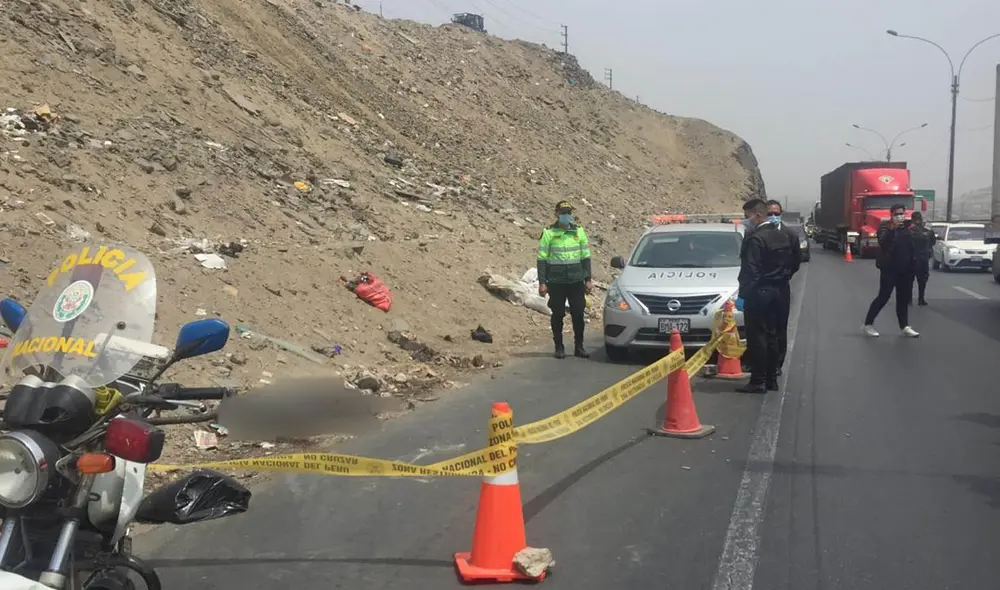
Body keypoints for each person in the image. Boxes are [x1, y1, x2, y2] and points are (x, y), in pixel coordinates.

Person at [736, 199, 794, 393]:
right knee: (772, 335)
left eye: (747, 216)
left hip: (759, 293)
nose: (747, 221)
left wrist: (743, 295)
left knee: (757, 337)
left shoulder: (756, 239)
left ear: (757, 215)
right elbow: (793, 264)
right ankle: (772, 379)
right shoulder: (783, 236)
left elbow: (750, 271)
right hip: (779, 291)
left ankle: (758, 380)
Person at [537, 200, 592, 359]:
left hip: (576, 280)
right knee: (558, 313)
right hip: (556, 281)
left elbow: (585, 257)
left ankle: (579, 346)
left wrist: (588, 279)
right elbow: (542, 259)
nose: (566, 216)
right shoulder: (548, 233)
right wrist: (542, 283)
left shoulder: (579, 232)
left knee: (578, 314)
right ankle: (559, 347)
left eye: (568, 213)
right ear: (556, 214)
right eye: (563, 213)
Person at [862, 204, 919, 337]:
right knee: (883, 297)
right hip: (890, 269)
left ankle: (904, 326)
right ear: (891, 215)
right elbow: (883, 242)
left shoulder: (908, 228)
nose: (900, 216)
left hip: (906, 270)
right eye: (897, 214)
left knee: (903, 299)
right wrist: (891, 230)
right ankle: (868, 324)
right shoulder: (885, 227)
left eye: (902, 213)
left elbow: (915, 244)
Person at [765, 200, 801, 375]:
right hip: (761, 288)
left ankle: (778, 363)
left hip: (781, 287)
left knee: (780, 326)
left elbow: (796, 261)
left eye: (776, 214)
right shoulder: (758, 234)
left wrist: (784, 275)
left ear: (781, 214)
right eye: (769, 214)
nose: (773, 217)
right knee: (763, 326)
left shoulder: (790, 235)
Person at [908, 211, 935, 306]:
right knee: (922, 280)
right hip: (923, 258)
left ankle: (909, 299)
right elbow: (932, 242)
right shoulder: (928, 231)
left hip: (912, 258)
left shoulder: (909, 230)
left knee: (909, 280)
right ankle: (921, 299)